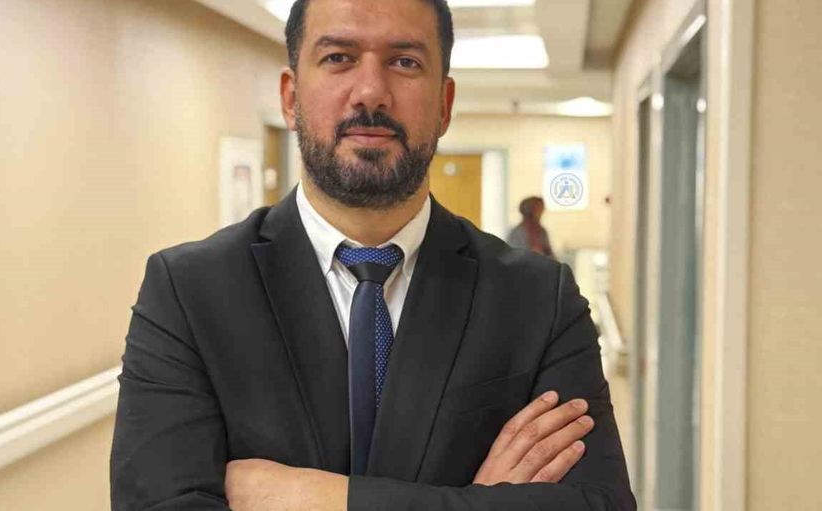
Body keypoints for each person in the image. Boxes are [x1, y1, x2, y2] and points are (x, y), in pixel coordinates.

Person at [109, 0, 634, 510]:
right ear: (291, 98)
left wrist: (321, 499)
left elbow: (598, 503)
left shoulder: (538, 298)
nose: (371, 92)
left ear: (444, 103)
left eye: (404, 62)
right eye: (338, 57)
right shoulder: (187, 291)